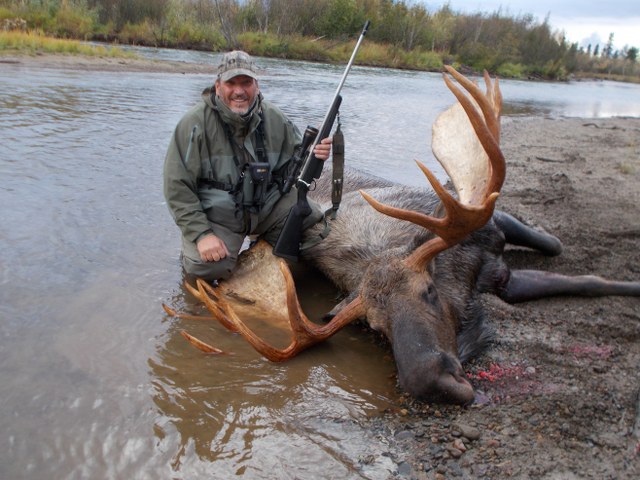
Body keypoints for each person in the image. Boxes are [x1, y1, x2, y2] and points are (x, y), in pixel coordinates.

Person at [163, 50, 332, 281]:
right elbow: (177, 188)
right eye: (231, 83)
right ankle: (192, 251)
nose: (239, 91)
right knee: (207, 269)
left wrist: (315, 157)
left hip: (264, 205)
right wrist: (202, 234)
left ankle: (261, 245)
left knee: (310, 217)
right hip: (219, 213)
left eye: (246, 83)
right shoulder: (193, 124)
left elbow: (295, 168)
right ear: (217, 86)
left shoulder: (274, 117)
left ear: (257, 85)